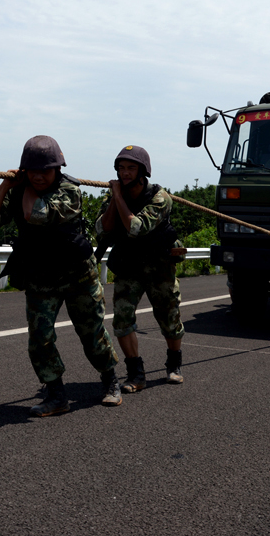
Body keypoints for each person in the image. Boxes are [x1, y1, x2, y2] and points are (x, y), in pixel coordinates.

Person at [0, 135, 122, 416]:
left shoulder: (70, 191)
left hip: (78, 276)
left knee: (92, 333)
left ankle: (111, 381)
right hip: (40, 277)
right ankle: (56, 394)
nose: (39, 176)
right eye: (32, 171)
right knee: (40, 338)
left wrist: (24, 189)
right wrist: (5, 187)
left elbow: (36, 214)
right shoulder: (19, 189)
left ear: (58, 168)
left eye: (45, 170)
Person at [95, 145, 186, 392]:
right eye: (121, 168)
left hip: (159, 266)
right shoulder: (114, 195)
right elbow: (102, 229)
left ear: (142, 170)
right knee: (122, 321)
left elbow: (136, 227)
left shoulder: (160, 197)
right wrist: (115, 198)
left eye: (131, 168)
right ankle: (136, 374)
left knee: (169, 318)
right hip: (129, 265)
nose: (125, 173)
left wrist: (119, 198)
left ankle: (174, 365)